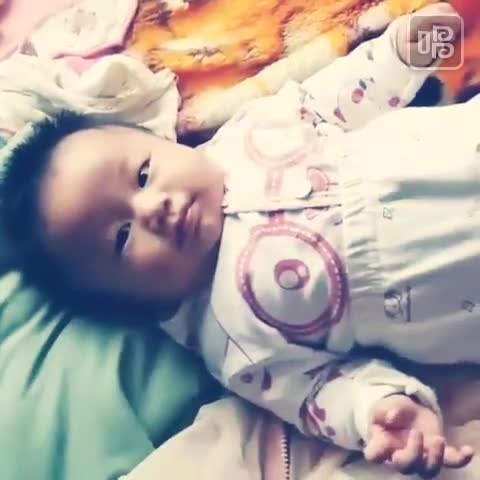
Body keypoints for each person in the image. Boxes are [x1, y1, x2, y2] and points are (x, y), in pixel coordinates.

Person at [1, 2, 476, 477]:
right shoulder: (234, 345)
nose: (152, 209)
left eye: (143, 174)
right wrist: (379, 409)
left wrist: (400, 56)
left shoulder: (250, 132)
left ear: (161, 140)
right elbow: (319, 391)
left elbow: (338, 96)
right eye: (122, 237)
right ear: (128, 300)